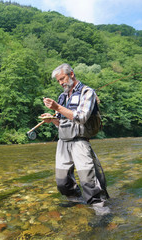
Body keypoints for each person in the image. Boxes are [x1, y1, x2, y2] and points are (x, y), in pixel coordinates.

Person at [41, 63, 109, 212]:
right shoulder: (62, 96)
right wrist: (52, 119)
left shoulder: (87, 92)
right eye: (58, 81)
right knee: (62, 181)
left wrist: (57, 107)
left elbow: (82, 117)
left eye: (62, 78)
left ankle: (101, 212)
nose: (61, 83)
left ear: (71, 74)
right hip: (63, 142)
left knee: (88, 181)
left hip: (80, 141)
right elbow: (61, 123)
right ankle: (76, 202)